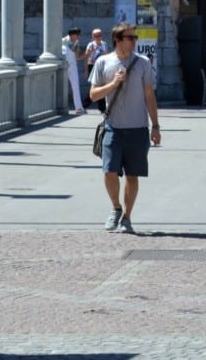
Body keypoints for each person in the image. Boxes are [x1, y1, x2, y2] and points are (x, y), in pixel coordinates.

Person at [88, 24, 160, 235]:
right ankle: (116, 208)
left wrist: (155, 126)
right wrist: (113, 84)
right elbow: (93, 95)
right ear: (118, 40)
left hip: (138, 128)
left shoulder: (143, 63)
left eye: (135, 37)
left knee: (132, 175)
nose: (134, 40)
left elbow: (149, 96)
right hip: (113, 127)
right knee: (109, 170)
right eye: (130, 37)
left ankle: (127, 217)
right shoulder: (103, 62)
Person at [83, 29, 109, 112]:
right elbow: (86, 58)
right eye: (96, 36)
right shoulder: (91, 45)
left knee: (100, 86)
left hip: (102, 66)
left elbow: (107, 57)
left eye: (99, 35)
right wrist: (86, 70)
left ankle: (99, 107)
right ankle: (88, 104)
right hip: (92, 66)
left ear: (101, 36)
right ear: (93, 37)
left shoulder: (104, 44)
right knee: (96, 86)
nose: (98, 38)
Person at [62, 26, 85, 115]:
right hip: (63, 67)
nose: (79, 37)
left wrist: (86, 55)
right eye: (77, 35)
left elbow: (77, 56)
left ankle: (79, 108)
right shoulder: (63, 41)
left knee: (76, 87)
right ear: (72, 35)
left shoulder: (76, 42)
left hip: (73, 67)